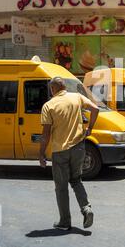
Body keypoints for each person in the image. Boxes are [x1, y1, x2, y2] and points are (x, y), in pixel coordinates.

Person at [39, 77, 99, 231]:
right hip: (79, 147)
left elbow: (45, 134)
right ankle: (86, 209)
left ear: (53, 89)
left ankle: (65, 222)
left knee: (61, 187)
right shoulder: (76, 97)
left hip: (60, 151)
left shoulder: (49, 106)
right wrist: (90, 128)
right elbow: (95, 109)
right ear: (64, 86)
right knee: (76, 180)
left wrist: (41, 154)